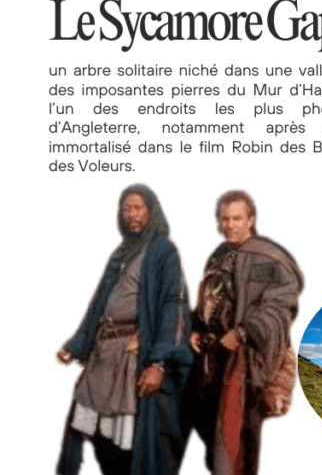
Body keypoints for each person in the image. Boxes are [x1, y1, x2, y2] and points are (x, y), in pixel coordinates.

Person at [57, 184, 192, 475]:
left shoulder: (162, 251)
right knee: (98, 434)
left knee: (130, 442)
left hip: (133, 356)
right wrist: (77, 344)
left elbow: (174, 305)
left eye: (137, 208)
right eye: (126, 208)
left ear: (151, 211)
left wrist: (158, 362)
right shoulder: (121, 253)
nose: (131, 214)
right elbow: (99, 304)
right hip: (104, 355)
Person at [186, 190, 303, 475]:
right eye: (224, 219)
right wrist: (195, 327)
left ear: (250, 219)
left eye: (237, 218)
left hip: (247, 360)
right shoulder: (218, 256)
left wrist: (242, 332)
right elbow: (208, 300)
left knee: (239, 438)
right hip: (212, 359)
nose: (230, 225)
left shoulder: (268, 258)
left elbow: (280, 305)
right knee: (213, 436)